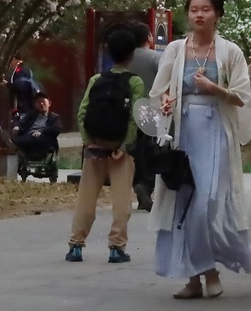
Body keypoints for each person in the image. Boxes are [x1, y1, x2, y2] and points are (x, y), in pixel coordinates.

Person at [151, 0, 251, 299]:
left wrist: (214, 88)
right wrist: (166, 102)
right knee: (184, 201)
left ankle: (205, 269)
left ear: (217, 14)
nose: (199, 15)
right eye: (194, 9)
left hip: (215, 130)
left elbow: (242, 96)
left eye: (206, 9)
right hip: (184, 130)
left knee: (207, 202)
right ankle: (199, 275)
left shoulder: (230, 51)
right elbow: (160, 92)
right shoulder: (175, 49)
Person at [66, 24, 146, 263]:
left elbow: (82, 113)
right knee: (121, 200)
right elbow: (135, 117)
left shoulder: (96, 79)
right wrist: (123, 147)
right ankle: (116, 247)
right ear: (132, 55)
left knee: (86, 197)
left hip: (95, 148)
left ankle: (76, 246)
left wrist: (88, 142)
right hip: (119, 150)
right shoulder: (135, 83)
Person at [128, 21, 162, 210]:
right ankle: (146, 186)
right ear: (149, 37)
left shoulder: (126, 58)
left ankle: (138, 185)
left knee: (136, 152)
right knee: (152, 151)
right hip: (151, 110)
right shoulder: (156, 58)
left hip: (130, 111)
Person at [12, 92, 61, 160]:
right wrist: (17, 126)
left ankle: (13, 143)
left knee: (32, 138)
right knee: (24, 137)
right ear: (35, 105)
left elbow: (56, 129)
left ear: (49, 103)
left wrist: (41, 131)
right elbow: (21, 123)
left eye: (43, 102)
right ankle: (12, 142)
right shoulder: (31, 115)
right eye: (39, 102)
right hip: (29, 136)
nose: (41, 104)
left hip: (44, 139)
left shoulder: (54, 117)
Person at [7, 55, 38, 120]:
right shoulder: (23, 69)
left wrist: (8, 84)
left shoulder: (21, 69)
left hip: (23, 107)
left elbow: (20, 85)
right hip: (24, 106)